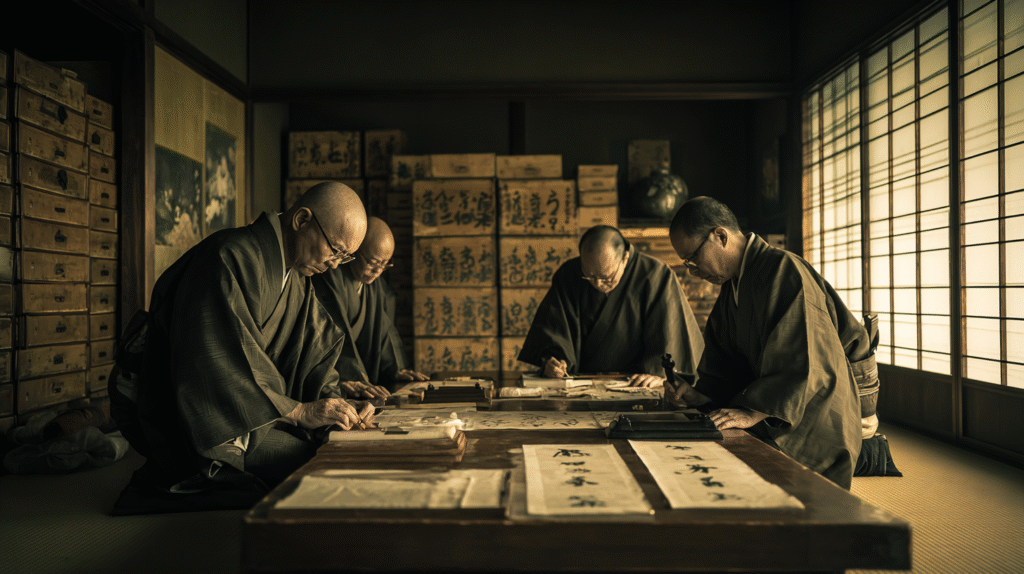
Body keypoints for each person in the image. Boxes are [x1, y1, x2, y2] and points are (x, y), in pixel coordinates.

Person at [109, 182, 376, 509]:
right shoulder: (229, 256)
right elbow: (217, 360)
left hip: (256, 416)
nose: (335, 264)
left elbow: (313, 352)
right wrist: (300, 411)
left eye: (345, 257)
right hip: (203, 420)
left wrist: (337, 405)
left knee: (333, 447)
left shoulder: (295, 277)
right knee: (320, 466)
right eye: (335, 250)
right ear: (301, 220)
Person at [667, 196, 871, 489]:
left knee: (726, 468)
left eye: (694, 257)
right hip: (771, 411)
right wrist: (703, 395)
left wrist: (753, 411)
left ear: (720, 236)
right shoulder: (734, 285)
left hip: (811, 420)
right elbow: (725, 362)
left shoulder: (784, 270)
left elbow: (803, 357)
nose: (693, 271)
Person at [518, 225, 704, 387]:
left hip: (636, 384)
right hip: (580, 384)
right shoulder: (569, 274)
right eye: (589, 276)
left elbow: (672, 338)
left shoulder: (656, 275)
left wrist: (660, 374)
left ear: (625, 258)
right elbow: (553, 333)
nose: (598, 284)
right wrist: (554, 363)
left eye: (606, 278)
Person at [312, 216, 428, 398]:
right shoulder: (331, 276)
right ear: (355, 250)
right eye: (373, 263)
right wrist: (353, 376)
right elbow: (333, 333)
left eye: (384, 265)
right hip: (331, 379)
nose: (377, 272)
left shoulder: (376, 286)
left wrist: (396, 368)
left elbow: (385, 330)